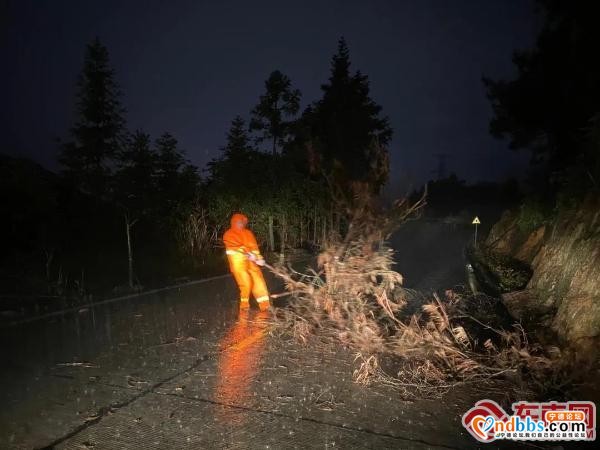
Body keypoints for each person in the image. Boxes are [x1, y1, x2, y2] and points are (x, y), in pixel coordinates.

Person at [223, 213, 270, 311]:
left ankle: (265, 306)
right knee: (246, 283)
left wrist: (259, 258)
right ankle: (244, 306)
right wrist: (250, 255)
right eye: (239, 222)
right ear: (234, 222)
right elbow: (236, 247)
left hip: (251, 262)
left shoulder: (248, 233)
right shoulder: (228, 234)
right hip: (238, 264)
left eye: (242, 222)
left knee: (259, 281)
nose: (241, 224)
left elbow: (254, 248)